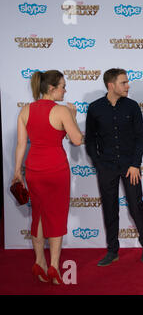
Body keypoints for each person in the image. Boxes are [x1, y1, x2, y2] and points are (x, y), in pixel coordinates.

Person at [13, 70, 83, 284]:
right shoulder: (61, 111)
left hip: (33, 170)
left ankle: (39, 262)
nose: (65, 90)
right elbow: (78, 140)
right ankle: (53, 266)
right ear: (51, 89)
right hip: (56, 170)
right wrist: (73, 116)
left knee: (39, 216)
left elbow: (21, 144)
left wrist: (17, 171)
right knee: (56, 216)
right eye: (62, 86)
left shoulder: (25, 110)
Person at [85, 68, 143, 266]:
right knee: (109, 208)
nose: (127, 85)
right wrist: (98, 164)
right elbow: (90, 140)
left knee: (136, 205)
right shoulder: (95, 108)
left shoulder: (132, 107)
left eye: (127, 82)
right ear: (111, 85)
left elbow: (141, 139)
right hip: (106, 167)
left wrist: (135, 164)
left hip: (130, 166)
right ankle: (112, 250)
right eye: (123, 82)